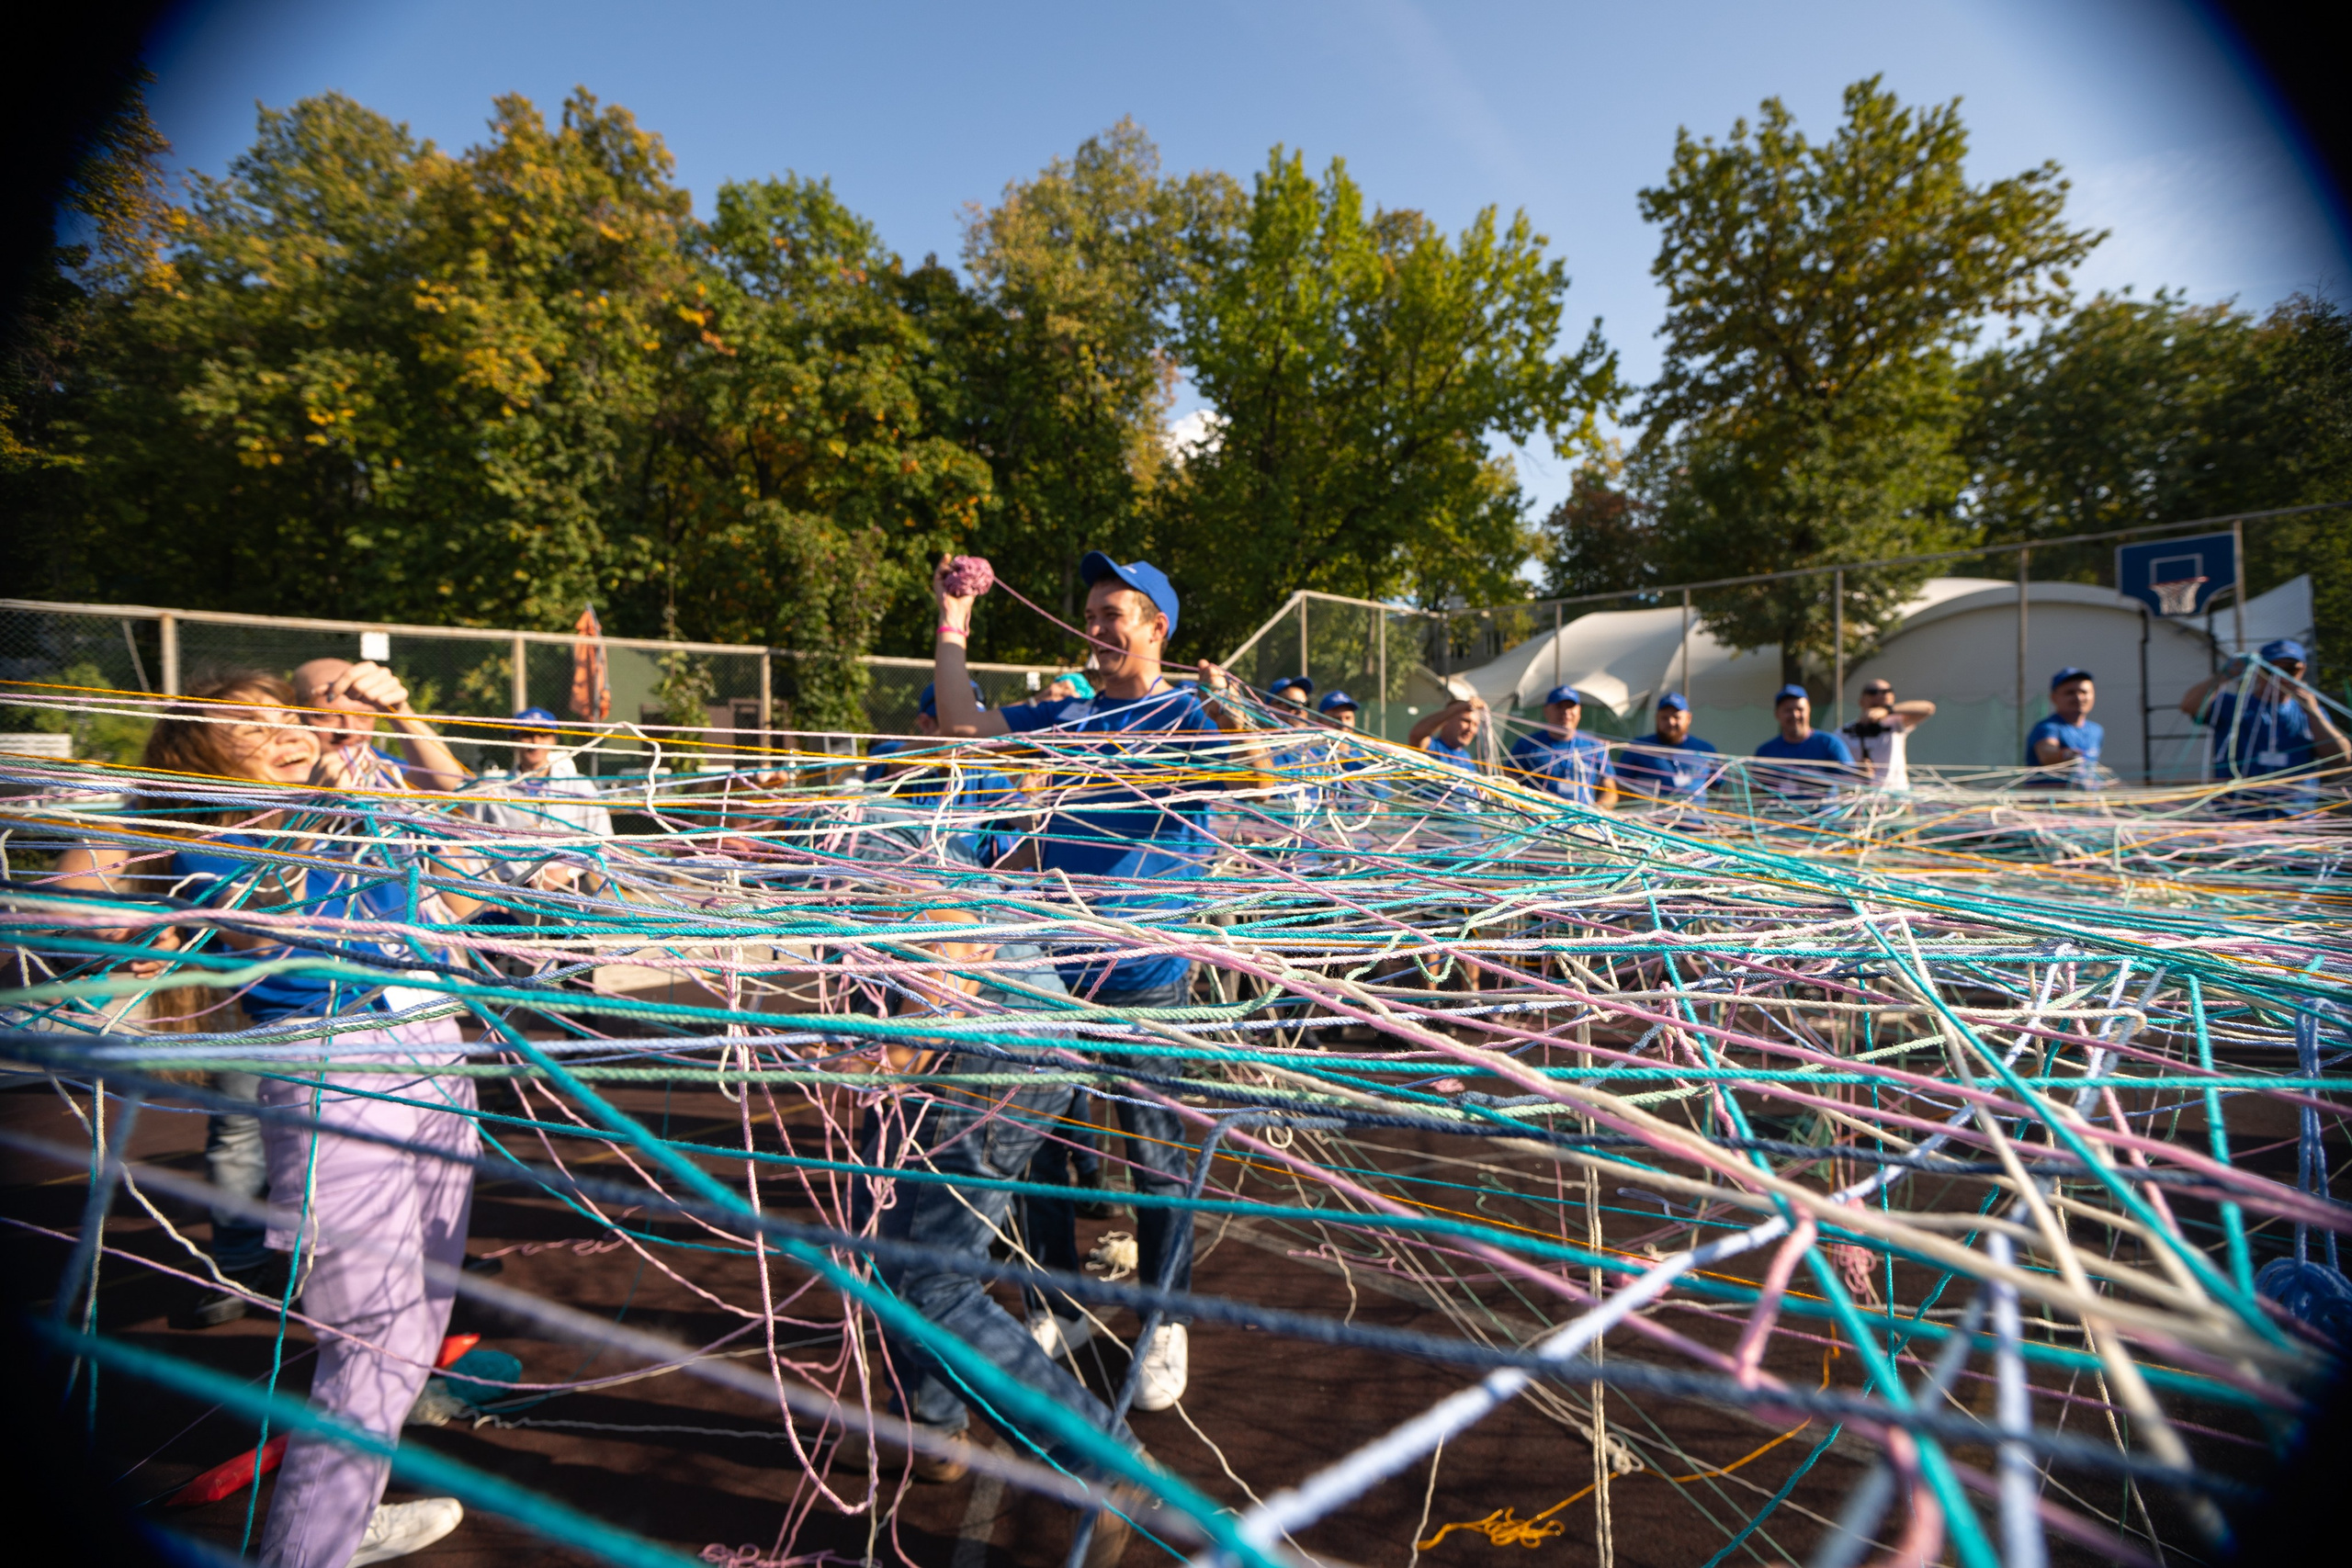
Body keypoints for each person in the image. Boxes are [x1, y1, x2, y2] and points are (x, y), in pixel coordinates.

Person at [54, 671, 479, 1566]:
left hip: (434, 1057)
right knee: (373, 1339)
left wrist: (406, 725)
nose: (288, 731)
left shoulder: (356, 817)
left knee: (418, 1321)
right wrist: (146, 843)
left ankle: (340, 1515)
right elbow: (94, 906)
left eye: (288, 716)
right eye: (252, 726)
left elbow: (464, 869)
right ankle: (307, 1548)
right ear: (201, 759)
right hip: (335, 1072)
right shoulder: (215, 848)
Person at [930, 549, 1266, 1415]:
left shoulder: (1186, 715)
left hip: (1146, 977)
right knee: (1038, 1149)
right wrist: (954, 622)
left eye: (1112, 613)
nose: (1094, 626)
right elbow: (961, 725)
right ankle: (1056, 1303)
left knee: (1155, 1155)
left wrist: (1226, 702)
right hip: (1052, 973)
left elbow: (1260, 772)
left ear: (1157, 628)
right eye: (1089, 612)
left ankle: (1165, 1320)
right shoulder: (1067, 716)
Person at [2178, 638, 2350, 814]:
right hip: (2237, 815)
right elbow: (2189, 706)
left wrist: (2312, 711)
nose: (2280, 677)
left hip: (2296, 817)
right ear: (2258, 670)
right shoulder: (2233, 706)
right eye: (2271, 670)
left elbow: (2341, 758)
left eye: (2290, 670)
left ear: (2302, 670)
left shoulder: (2310, 713)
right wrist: (2223, 676)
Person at [463, 707, 614, 889]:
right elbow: (471, 843)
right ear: (513, 739)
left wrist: (568, 872)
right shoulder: (493, 790)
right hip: (515, 889)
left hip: (571, 885)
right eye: (527, 735)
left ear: (554, 739)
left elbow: (603, 842)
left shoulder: (578, 786)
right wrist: (480, 887)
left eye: (543, 734)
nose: (535, 741)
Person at [292, 659, 469, 794]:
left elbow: (442, 783)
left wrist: (399, 710)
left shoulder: (385, 770)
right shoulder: (281, 775)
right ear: (293, 715)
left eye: (364, 716)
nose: (349, 729)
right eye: (327, 716)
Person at [1506, 686, 1617, 806]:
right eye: (1559, 706)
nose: (1565, 712)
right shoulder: (1527, 744)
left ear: (1579, 711)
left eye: (1570, 706)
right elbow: (1509, 783)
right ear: (1546, 710)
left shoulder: (1595, 746)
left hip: (1584, 816)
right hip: (1538, 813)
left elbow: (1610, 791)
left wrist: (1598, 809)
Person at [1752, 684, 1856, 799]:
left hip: (1822, 810)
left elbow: (1851, 781)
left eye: (1800, 709)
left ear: (1809, 710)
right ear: (1777, 714)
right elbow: (1755, 793)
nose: (1795, 715)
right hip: (1777, 811)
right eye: (1788, 710)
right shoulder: (1765, 751)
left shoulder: (1830, 744)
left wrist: (1862, 773)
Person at [1614, 693, 1722, 803]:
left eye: (1676, 717)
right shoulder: (1638, 748)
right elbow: (1620, 785)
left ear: (1688, 718)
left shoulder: (1705, 750)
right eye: (1664, 718)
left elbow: (1718, 789)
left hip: (1695, 814)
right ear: (1656, 718)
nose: (1671, 722)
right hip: (1649, 813)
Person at [1838, 679, 1936, 791]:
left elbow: (1928, 708)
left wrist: (1887, 710)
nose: (1880, 695)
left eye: (1887, 691)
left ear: (1892, 698)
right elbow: (1835, 766)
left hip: (1896, 794)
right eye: (1873, 692)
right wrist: (1855, 770)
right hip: (1860, 794)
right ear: (1861, 701)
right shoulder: (1843, 732)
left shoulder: (1896, 723)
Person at [2024, 669, 2105, 789]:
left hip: (2086, 799)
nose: (2079, 697)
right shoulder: (2047, 728)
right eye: (2070, 693)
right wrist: (2067, 755)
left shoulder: (2096, 730)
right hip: (2052, 799)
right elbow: (2047, 754)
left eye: (2084, 692)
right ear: (2054, 698)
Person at [1407, 694, 1488, 772]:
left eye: (1475, 725)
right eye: (1466, 721)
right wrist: (1460, 707)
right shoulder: (1432, 747)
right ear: (1446, 721)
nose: (1470, 729)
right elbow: (1417, 735)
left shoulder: (1468, 760)